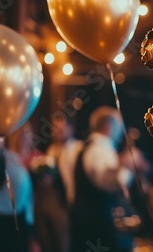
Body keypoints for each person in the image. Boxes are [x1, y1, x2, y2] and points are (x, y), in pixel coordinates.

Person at [70, 106, 134, 252]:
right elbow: (108, 183)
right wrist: (127, 166)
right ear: (108, 126)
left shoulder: (90, 146)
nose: (121, 132)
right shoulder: (100, 149)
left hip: (87, 220)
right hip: (95, 223)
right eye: (119, 126)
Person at [33, 118, 82, 252]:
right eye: (55, 128)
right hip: (58, 200)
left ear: (71, 129)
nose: (58, 131)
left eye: (62, 128)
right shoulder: (52, 149)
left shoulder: (78, 148)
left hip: (74, 198)